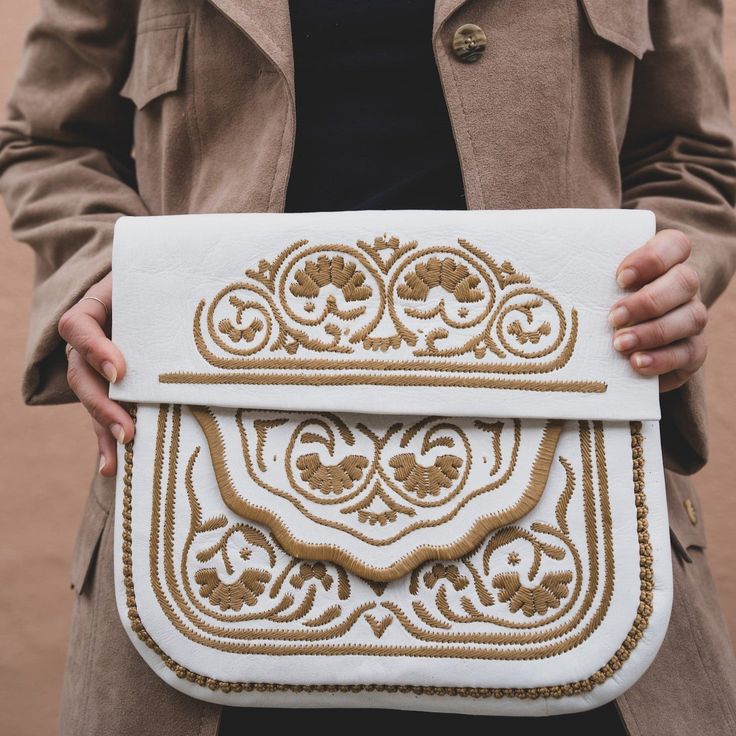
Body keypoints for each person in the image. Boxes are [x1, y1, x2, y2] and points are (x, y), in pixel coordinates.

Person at [1, 1, 735, 734]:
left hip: (586, 538)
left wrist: (677, 272)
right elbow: (47, 139)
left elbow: (690, 155)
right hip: (200, 533)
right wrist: (108, 274)